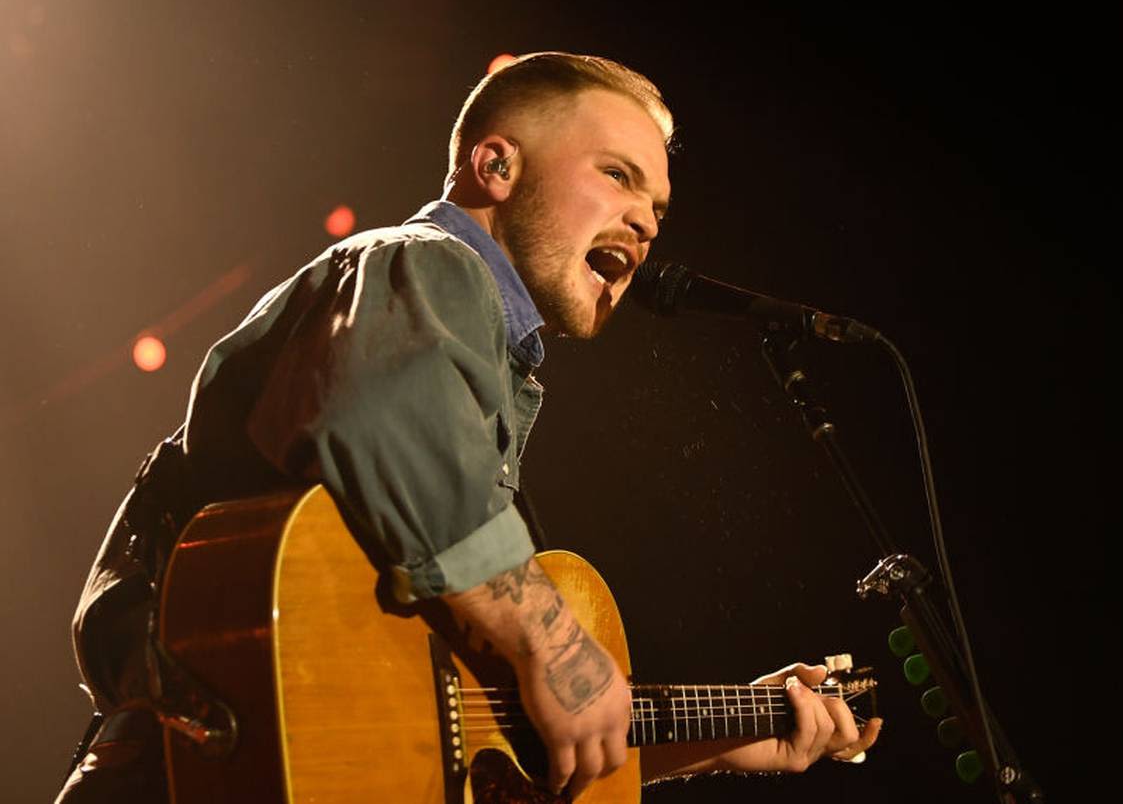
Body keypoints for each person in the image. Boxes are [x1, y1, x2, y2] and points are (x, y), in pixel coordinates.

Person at [56, 52, 880, 803]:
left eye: (658, 204)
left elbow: (459, 743)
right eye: (619, 176)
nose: (649, 222)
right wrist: (555, 644)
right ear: (495, 164)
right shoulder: (426, 264)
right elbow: (382, 416)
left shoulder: (482, 372)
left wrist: (729, 731)